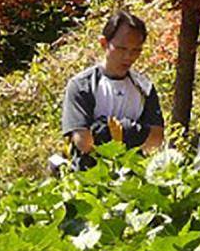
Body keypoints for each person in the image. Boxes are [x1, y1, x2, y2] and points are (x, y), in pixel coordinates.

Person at [60, 10, 166, 167]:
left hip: (132, 177)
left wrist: (111, 130)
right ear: (104, 43)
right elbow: (84, 142)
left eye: (136, 50)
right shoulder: (82, 85)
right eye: (122, 49)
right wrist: (134, 133)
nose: (128, 56)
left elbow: (156, 140)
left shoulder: (144, 87)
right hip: (90, 178)